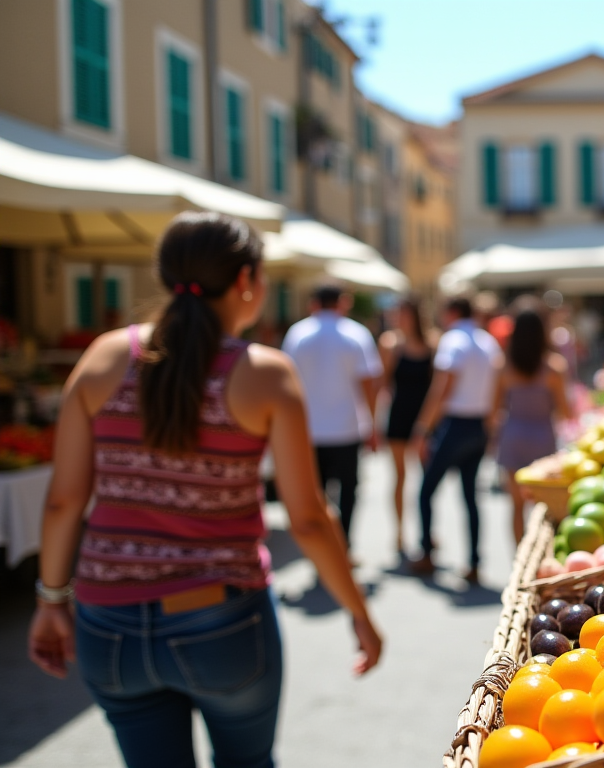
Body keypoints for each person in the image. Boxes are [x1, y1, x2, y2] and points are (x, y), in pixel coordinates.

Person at [28, 212, 380, 768]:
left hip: (106, 622)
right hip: (222, 620)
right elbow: (309, 517)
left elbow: (64, 501)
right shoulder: (266, 375)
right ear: (246, 281)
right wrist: (356, 610)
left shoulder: (101, 359)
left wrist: (51, 600)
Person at [282, 285, 383, 548]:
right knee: (348, 491)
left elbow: (286, 384)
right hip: (347, 429)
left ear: (313, 303)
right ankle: (344, 544)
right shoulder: (356, 334)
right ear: (343, 302)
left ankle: (322, 547)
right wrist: (373, 425)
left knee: (315, 493)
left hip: (309, 430)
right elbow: (369, 386)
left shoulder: (298, 334)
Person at [411, 297, 501, 582]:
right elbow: (498, 386)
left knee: (426, 492)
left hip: (455, 425)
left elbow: (442, 388)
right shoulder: (488, 342)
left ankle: (426, 552)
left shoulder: (453, 340)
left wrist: (424, 428)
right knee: (470, 496)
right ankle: (474, 561)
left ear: (451, 312)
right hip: (479, 424)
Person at [494, 309, 572, 543]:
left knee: (516, 505)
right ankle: (540, 561)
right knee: (545, 509)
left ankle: (518, 559)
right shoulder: (554, 367)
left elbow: (493, 410)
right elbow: (565, 411)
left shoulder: (504, 367)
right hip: (543, 439)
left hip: (513, 436)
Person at [380, 298, 437, 559]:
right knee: (400, 477)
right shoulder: (390, 344)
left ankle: (427, 531)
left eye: (403, 313)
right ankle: (399, 531)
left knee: (427, 481)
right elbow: (381, 383)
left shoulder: (433, 343)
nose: (398, 318)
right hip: (399, 417)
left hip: (424, 420)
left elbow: (438, 387)